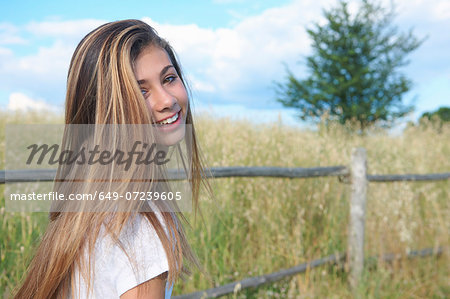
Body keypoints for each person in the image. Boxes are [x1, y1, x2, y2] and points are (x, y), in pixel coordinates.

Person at [13, 19, 213, 299]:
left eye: (168, 78)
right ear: (105, 112)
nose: (166, 99)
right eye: (140, 91)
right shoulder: (140, 225)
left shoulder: (86, 204)